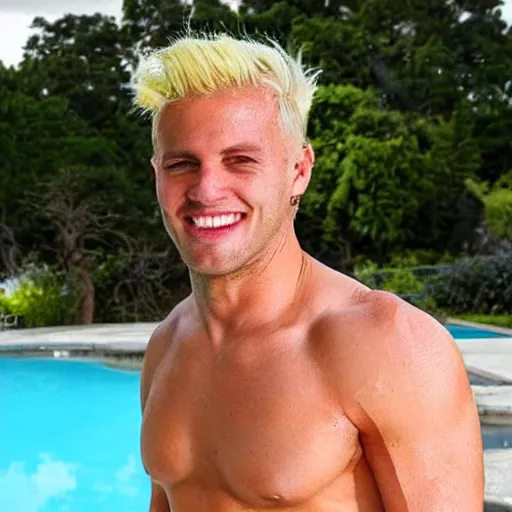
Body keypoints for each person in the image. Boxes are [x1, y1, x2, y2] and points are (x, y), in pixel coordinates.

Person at [130, 33, 484, 511]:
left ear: (299, 170)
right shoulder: (166, 348)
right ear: (157, 175)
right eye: (182, 164)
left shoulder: (390, 344)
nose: (207, 189)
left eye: (241, 160)